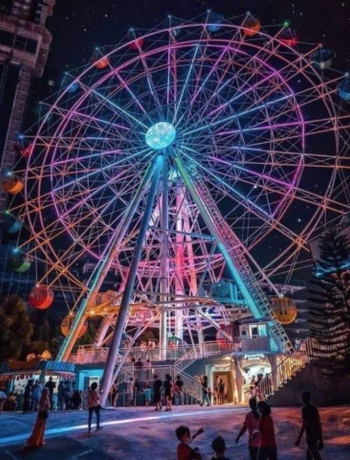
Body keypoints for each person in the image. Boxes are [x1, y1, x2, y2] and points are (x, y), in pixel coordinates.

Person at [295, 391, 323, 460]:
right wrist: (321, 438)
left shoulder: (304, 409)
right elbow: (318, 423)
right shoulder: (314, 408)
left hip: (310, 435)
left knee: (315, 455)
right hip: (316, 434)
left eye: (301, 396)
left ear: (303, 398)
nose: (300, 398)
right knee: (309, 453)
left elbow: (304, 424)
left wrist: (299, 438)